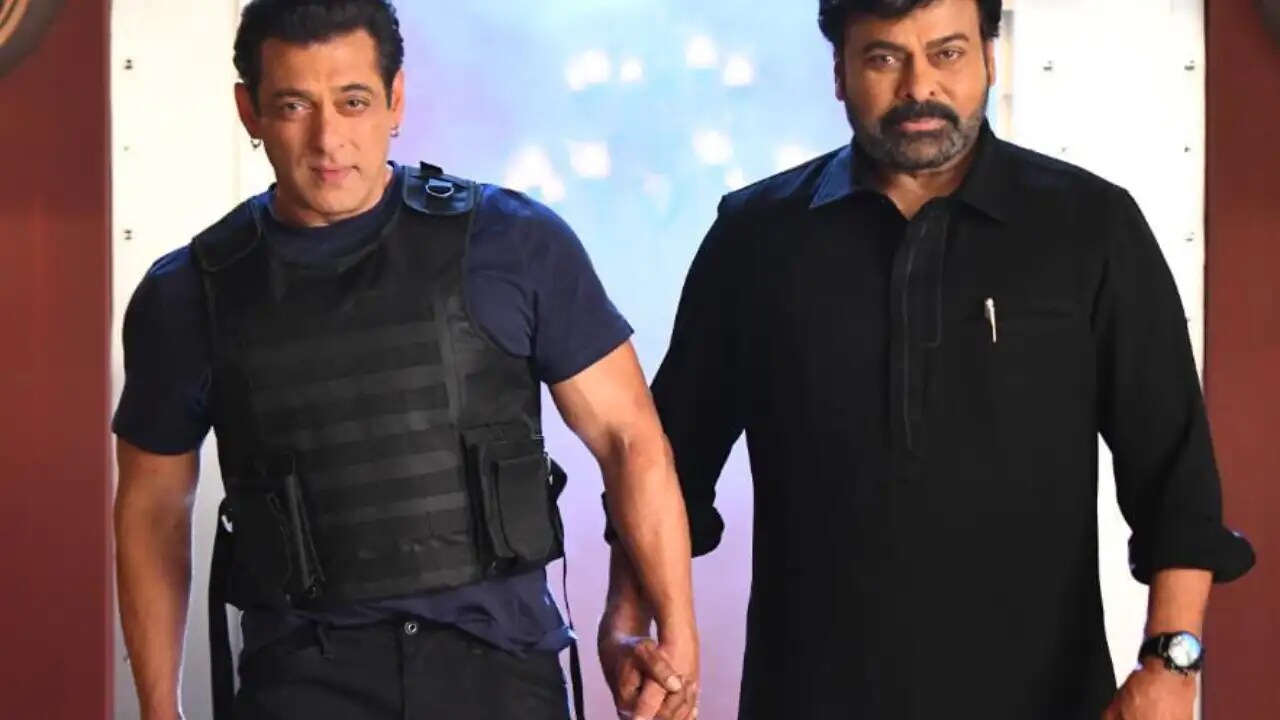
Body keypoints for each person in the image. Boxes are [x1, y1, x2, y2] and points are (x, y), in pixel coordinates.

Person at [598, 0, 1256, 718]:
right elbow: (663, 462)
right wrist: (628, 624)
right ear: (839, 72)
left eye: (947, 53)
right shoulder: (755, 239)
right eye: (884, 57)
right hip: (807, 698)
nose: (919, 87)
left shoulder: (1092, 228)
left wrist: (1171, 665)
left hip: (1047, 702)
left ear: (989, 58)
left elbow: (1174, 473)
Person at [111, 2, 700, 719]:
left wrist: (660, 631)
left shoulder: (514, 244)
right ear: (249, 111)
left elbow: (630, 441)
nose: (328, 139)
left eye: (353, 101)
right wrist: (157, 708)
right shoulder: (187, 295)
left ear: (395, 100)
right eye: (294, 105)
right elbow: (151, 509)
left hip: (499, 673)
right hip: (303, 683)